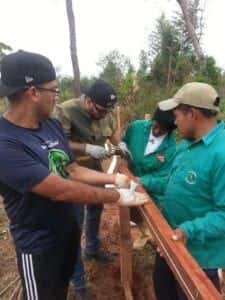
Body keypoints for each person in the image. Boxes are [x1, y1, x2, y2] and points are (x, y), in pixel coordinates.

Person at [0, 50, 148, 300]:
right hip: (38, 244)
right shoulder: (6, 143)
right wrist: (115, 197)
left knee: (59, 290)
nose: (57, 97)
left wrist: (113, 179)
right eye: (54, 90)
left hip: (67, 230)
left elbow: (71, 169)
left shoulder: (51, 125)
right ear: (33, 92)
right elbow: (60, 189)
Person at [153, 82, 224, 300]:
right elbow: (171, 183)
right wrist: (140, 182)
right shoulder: (186, 144)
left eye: (177, 115)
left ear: (192, 113)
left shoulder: (220, 153)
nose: (174, 121)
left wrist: (188, 230)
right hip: (171, 245)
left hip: (200, 262)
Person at [56, 79, 121, 298]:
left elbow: (112, 133)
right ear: (89, 102)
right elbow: (58, 143)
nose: (104, 114)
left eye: (107, 111)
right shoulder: (66, 110)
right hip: (71, 172)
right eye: (101, 110)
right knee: (75, 225)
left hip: (93, 171)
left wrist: (120, 145)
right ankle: (78, 281)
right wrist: (85, 147)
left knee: (95, 210)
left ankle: (92, 249)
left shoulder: (106, 112)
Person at [120, 105, 176, 206]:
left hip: (150, 196)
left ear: (170, 130)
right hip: (126, 185)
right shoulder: (136, 127)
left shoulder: (171, 149)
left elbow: (164, 180)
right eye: (156, 126)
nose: (157, 131)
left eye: (163, 130)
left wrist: (141, 181)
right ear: (153, 119)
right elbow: (124, 143)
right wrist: (122, 149)